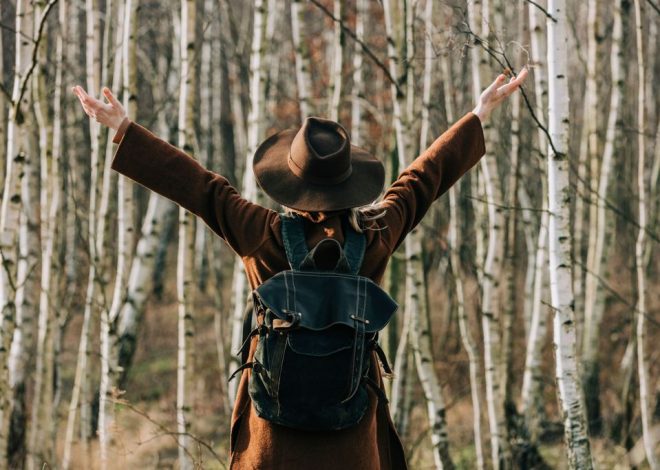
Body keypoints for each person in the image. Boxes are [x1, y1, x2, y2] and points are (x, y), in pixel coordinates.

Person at [72, 66, 528, 469]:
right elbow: (423, 178)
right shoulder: (376, 233)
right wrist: (476, 115)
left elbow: (200, 187)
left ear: (288, 182)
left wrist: (125, 128)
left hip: (274, 436)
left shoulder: (259, 231)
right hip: (350, 434)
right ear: (351, 183)